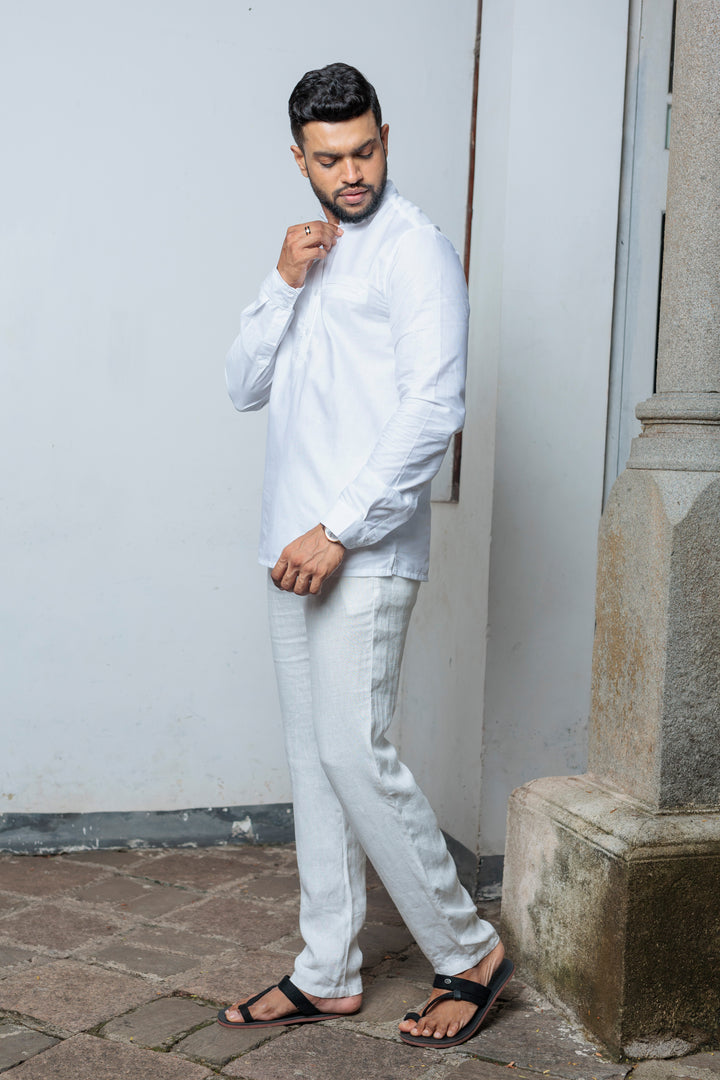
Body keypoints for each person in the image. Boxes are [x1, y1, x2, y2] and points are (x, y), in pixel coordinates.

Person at [218, 62, 512, 1049]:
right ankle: (328, 970)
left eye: (367, 149)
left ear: (386, 134)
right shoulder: (309, 252)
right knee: (316, 764)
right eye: (331, 157)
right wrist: (280, 280)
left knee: (354, 748)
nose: (353, 172)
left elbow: (436, 408)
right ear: (298, 157)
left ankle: (467, 948)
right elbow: (242, 387)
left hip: (361, 546)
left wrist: (339, 527)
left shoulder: (413, 250)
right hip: (287, 547)